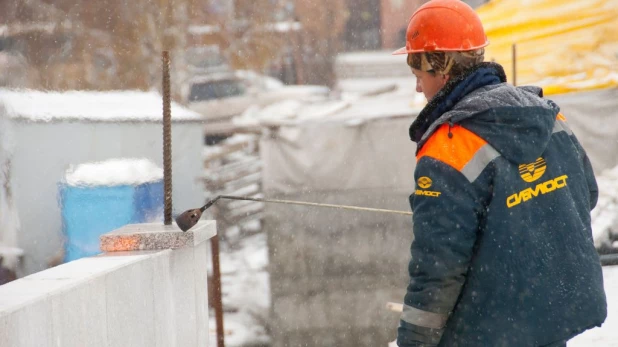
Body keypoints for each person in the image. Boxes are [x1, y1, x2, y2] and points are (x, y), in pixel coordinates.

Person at [392, 1, 607, 346]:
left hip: (490, 330)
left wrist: (413, 342)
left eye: (419, 75)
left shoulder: (448, 149)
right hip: (550, 318)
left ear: (441, 65)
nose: (419, 88)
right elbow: (587, 195)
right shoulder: (550, 118)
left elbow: (437, 269)